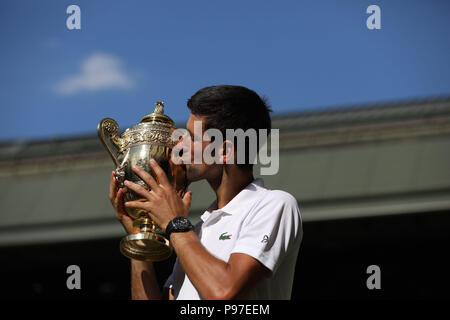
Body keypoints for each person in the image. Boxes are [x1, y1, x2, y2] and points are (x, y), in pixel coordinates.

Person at [109, 85, 303, 300]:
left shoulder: (274, 204)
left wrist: (175, 223)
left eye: (191, 137)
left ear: (225, 151)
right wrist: (139, 237)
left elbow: (222, 293)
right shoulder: (195, 232)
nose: (178, 145)